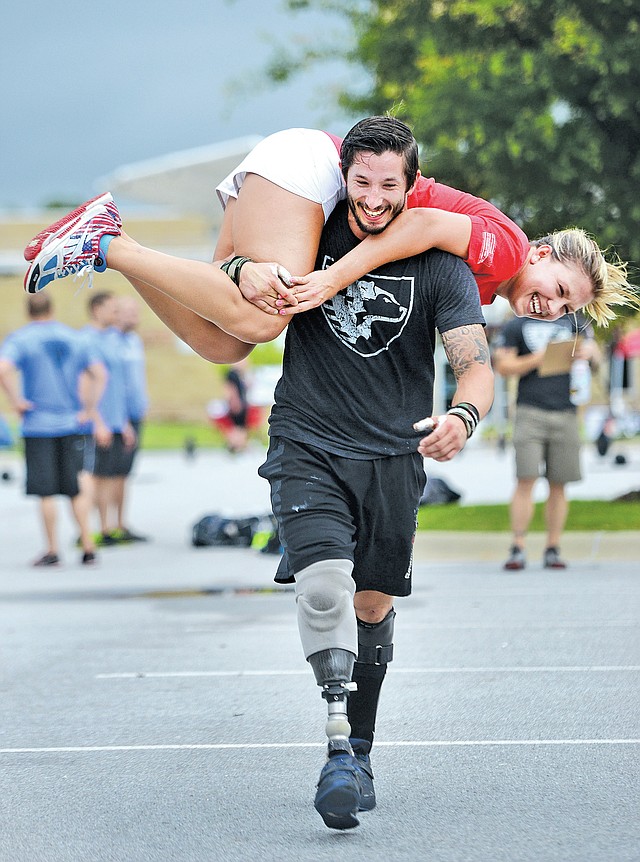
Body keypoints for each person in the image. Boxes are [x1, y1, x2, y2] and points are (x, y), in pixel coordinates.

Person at [252, 119, 494, 829]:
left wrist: (462, 416)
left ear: (410, 185)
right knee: (325, 586)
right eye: (363, 182)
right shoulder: (311, 233)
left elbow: (474, 364)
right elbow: (241, 262)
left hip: (393, 457)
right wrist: (243, 269)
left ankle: (360, 746)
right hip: (307, 439)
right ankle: (335, 751)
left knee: (372, 604)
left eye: (391, 184)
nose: (376, 197)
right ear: (345, 180)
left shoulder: (440, 265)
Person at [22, 123, 636, 369]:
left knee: (222, 340)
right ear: (542, 255)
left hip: (289, 186)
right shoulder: (505, 250)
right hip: (313, 167)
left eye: (566, 309)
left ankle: (116, 245)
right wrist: (333, 279)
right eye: (558, 290)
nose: (552, 308)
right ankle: (107, 243)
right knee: (267, 321)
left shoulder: (486, 288)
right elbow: (417, 228)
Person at [0, 294, 105, 566]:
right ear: (52, 309)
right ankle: (88, 545)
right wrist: (88, 408)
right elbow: (99, 374)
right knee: (75, 487)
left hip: (38, 425)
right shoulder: (74, 337)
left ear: (28, 311)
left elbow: (3, 369)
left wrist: (17, 401)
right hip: (71, 422)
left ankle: (52, 549)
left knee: (45, 491)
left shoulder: (21, 339)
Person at [492, 312, 601, 570]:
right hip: (530, 411)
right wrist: (540, 358)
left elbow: (595, 361)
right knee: (525, 479)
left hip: (567, 411)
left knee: (559, 484)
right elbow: (503, 367)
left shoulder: (577, 321)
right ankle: (518, 546)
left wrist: (590, 354)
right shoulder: (517, 324)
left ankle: (553, 547)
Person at [80, 292, 139, 545]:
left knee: (111, 474)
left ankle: (108, 527)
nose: (116, 315)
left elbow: (118, 385)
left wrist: (123, 421)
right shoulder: (85, 340)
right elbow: (84, 385)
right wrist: (96, 420)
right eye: (112, 310)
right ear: (96, 309)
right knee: (95, 476)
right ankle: (91, 529)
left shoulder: (113, 340)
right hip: (98, 421)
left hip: (116, 420)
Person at [114, 296, 149, 540]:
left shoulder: (134, 341)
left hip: (136, 415)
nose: (134, 316)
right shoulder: (110, 344)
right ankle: (107, 526)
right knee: (110, 473)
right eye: (129, 311)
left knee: (125, 473)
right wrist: (120, 419)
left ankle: (120, 523)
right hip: (118, 419)